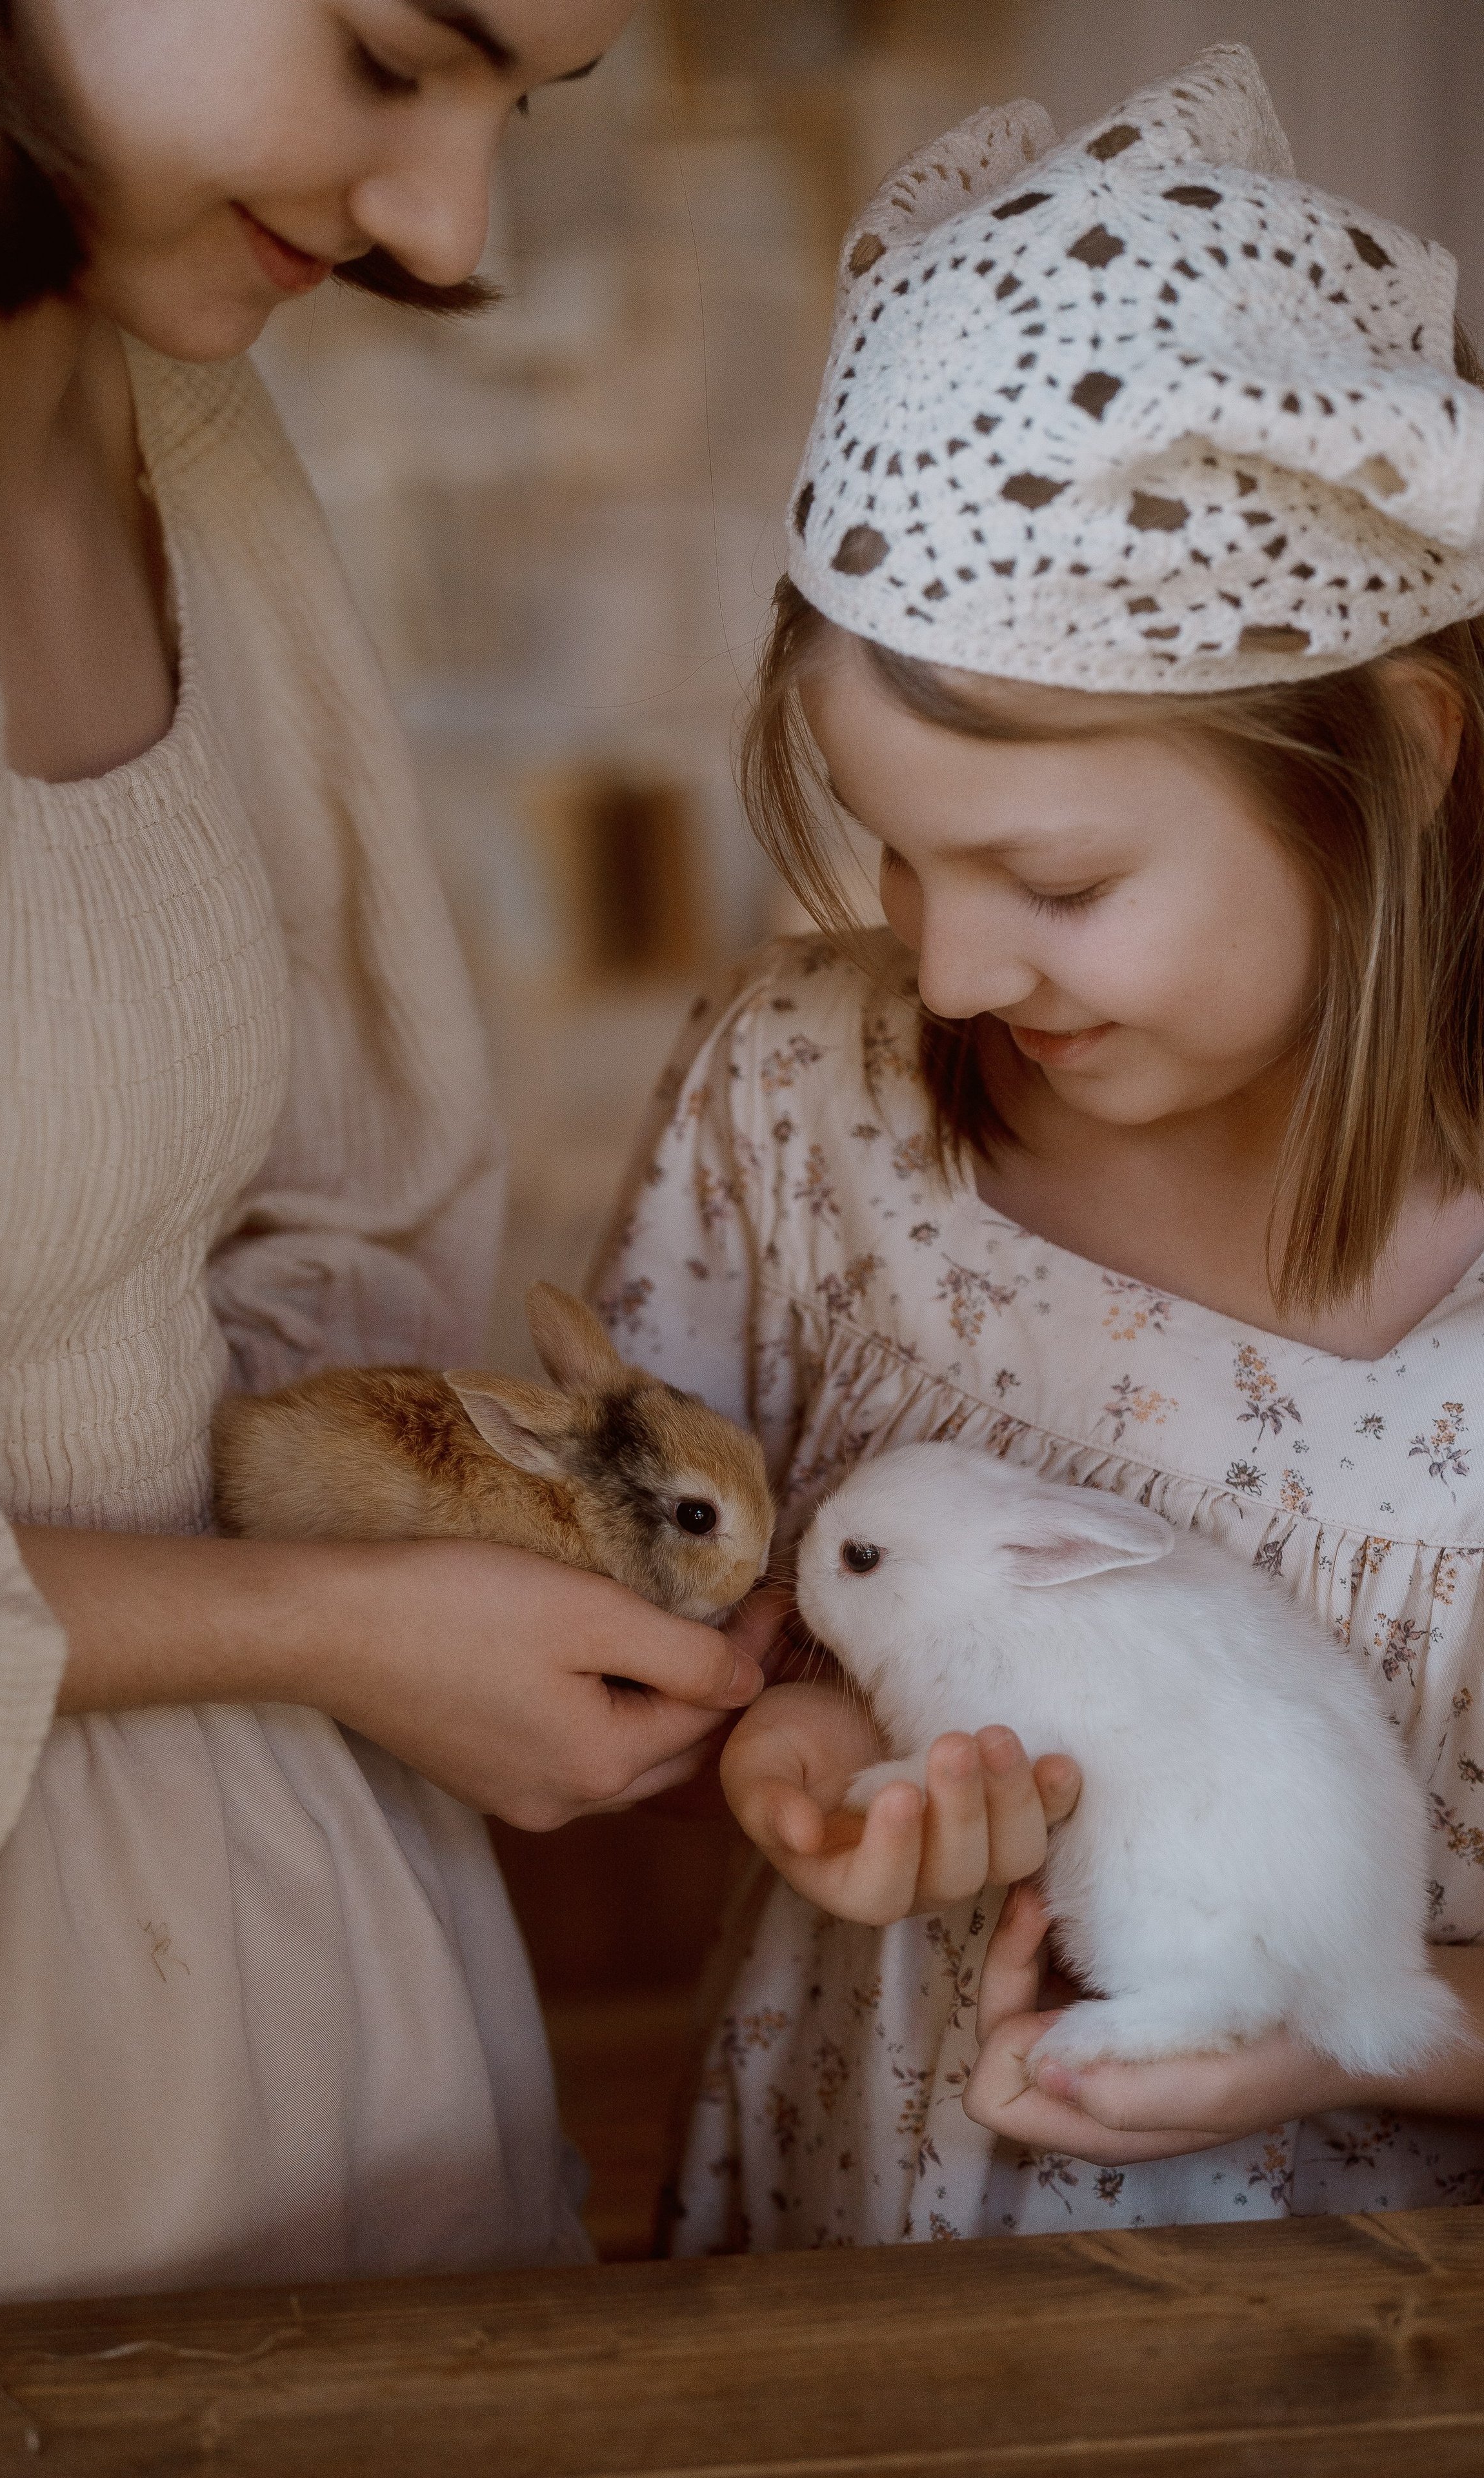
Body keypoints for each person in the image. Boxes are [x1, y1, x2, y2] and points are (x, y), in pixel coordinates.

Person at [0, 0, 768, 2310]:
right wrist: (337, 1625)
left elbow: (308, 1220)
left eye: (520, 104)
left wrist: (419, 1576)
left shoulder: (181, 422)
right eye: (386, 52)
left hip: (301, 1961)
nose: (450, 227)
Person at [591, 43, 1484, 2249]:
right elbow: (696, 1608)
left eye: (1059, 882)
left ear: (1393, 753)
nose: (958, 973)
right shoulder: (805, 1110)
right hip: (846, 2280)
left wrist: (1364, 2023)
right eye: (895, 859)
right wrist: (781, 1748)